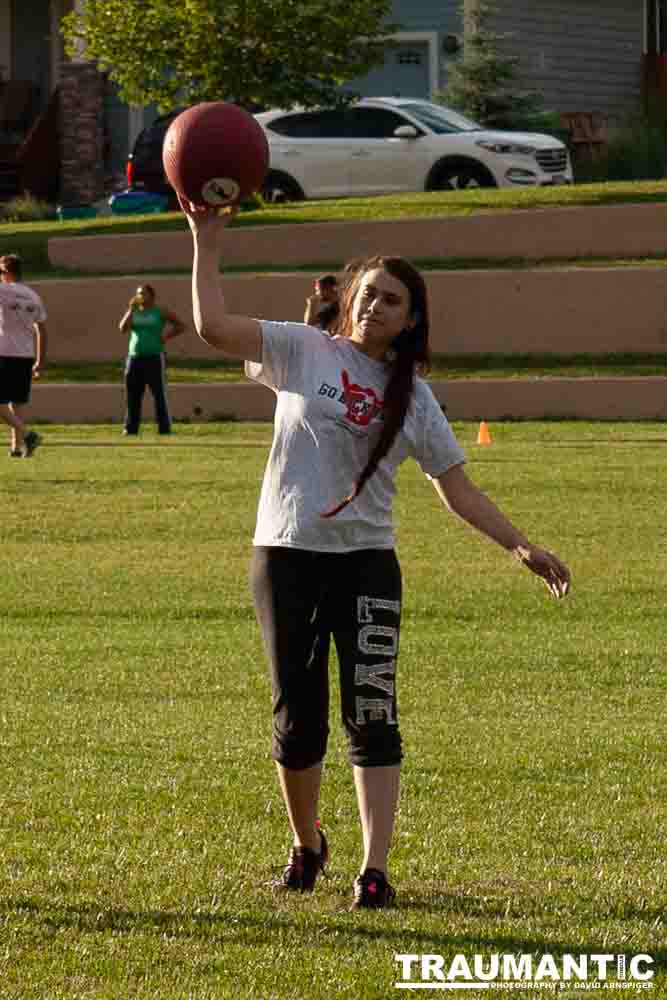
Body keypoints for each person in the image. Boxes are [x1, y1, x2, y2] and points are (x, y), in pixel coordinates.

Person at [181, 200, 571, 910]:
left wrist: (520, 544)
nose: (375, 306)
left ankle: (374, 868)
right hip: (285, 555)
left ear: (411, 319)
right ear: (348, 298)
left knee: (372, 711)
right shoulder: (302, 349)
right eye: (367, 293)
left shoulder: (414, 397)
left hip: (365, 564)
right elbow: (211, 327)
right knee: (297, 714)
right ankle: (307, 843)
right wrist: (205, 239)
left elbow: (455, 487)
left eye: (392, 300)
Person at [118, 284, 186, 435]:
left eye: (143, 293)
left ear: (151, 296)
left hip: (154, 357)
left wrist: (166, 336)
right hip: (134, 357)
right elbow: (122, 328)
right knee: (133, 395)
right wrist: (130, 310)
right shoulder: (134, 312)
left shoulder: (160, 311)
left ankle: (164, 428)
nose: (139, 296)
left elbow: (181, 326)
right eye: (138, 294)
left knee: (159, 394)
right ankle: (130, 428)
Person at [0, 253, 47, 457]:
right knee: (17, 403)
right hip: (26, 355)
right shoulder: (34, 296)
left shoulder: (2, 290)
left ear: (6, 271)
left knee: (4, 404)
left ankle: (28, 435)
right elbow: (42, 329)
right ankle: (17, 448)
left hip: (4, 352)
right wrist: (40, 361)